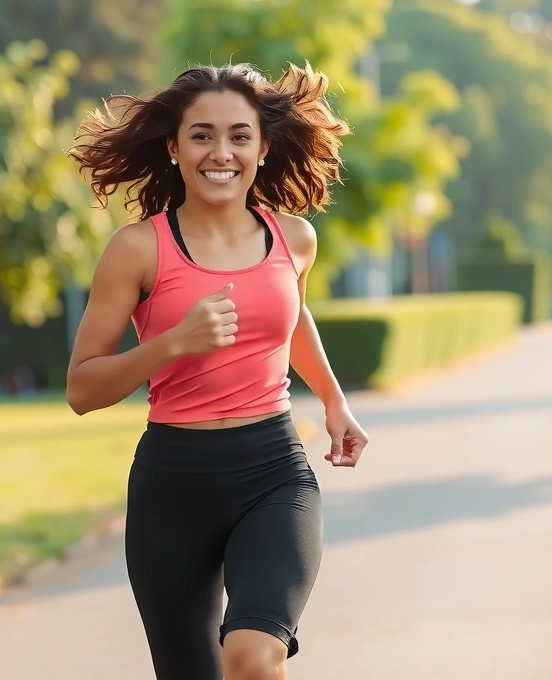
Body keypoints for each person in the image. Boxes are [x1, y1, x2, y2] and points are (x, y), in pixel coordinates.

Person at [65, 62, 369, 680]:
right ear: (173, 147)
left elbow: (292, 318)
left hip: (273, 472)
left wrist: (334, 401)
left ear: (263, 147)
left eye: (239, 135)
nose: (221, 152)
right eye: (201, 135)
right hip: (172, 487)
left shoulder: (294, 239)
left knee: (253, 655)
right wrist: (174, 342)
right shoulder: (137, 249)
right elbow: (82, 388)